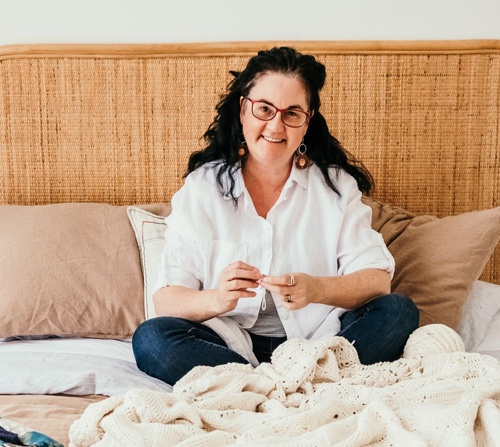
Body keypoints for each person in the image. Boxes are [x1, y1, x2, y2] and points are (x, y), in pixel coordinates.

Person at [132, 46, 419, 386]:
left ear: (306, 122)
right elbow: (167, 299)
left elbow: (376, 280)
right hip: (225, 344)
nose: (275, 125)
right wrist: (219, 298)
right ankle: (293, 388)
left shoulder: (336, 188)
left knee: (398, 312)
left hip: (320, 344)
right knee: (151, 339)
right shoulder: (202, 188)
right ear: (243, 111)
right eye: (264, 109)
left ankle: (262, 389)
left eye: (292, 113)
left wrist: (316, 288)